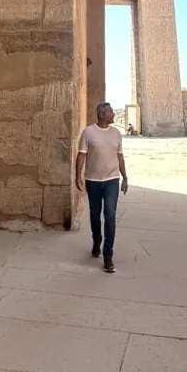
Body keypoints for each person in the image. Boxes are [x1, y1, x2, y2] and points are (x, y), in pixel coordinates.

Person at [75, 102, 128, 273]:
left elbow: (120, 157)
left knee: (110, 215)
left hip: (112, 179)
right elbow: (81, 155)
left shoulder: (116, 133)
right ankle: (97, 240)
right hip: (93, 180)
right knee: (95, 214)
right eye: (111, 111)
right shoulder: (88, 132)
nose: (113, 114)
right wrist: (78, 176)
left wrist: (125, 177)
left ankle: (108, 255)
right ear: (101, 114)